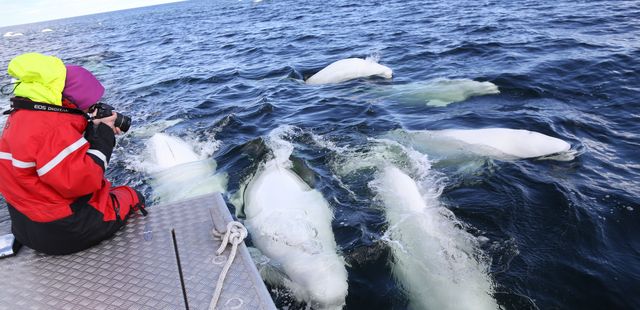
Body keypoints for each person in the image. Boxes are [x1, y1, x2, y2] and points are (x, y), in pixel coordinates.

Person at [0, 53, 146, 255]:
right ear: (72, 102)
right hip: (66, 230)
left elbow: (50, 159)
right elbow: (83, 182)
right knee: (131, 195)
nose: (91, 110)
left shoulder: (22, 116)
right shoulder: (53, 129)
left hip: (26, 228)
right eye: (89, 106)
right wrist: (103, 135)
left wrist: (87, 130)